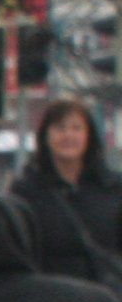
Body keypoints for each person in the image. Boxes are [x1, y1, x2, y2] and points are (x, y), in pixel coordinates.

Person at [12, 93, 122, 288]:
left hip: (106, 296)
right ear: (45, 136)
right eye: (60, 128)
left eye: (76, 128)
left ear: (89, 136)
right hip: (52, 296)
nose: (68, 135)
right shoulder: (26, 191)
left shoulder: (113, 188)